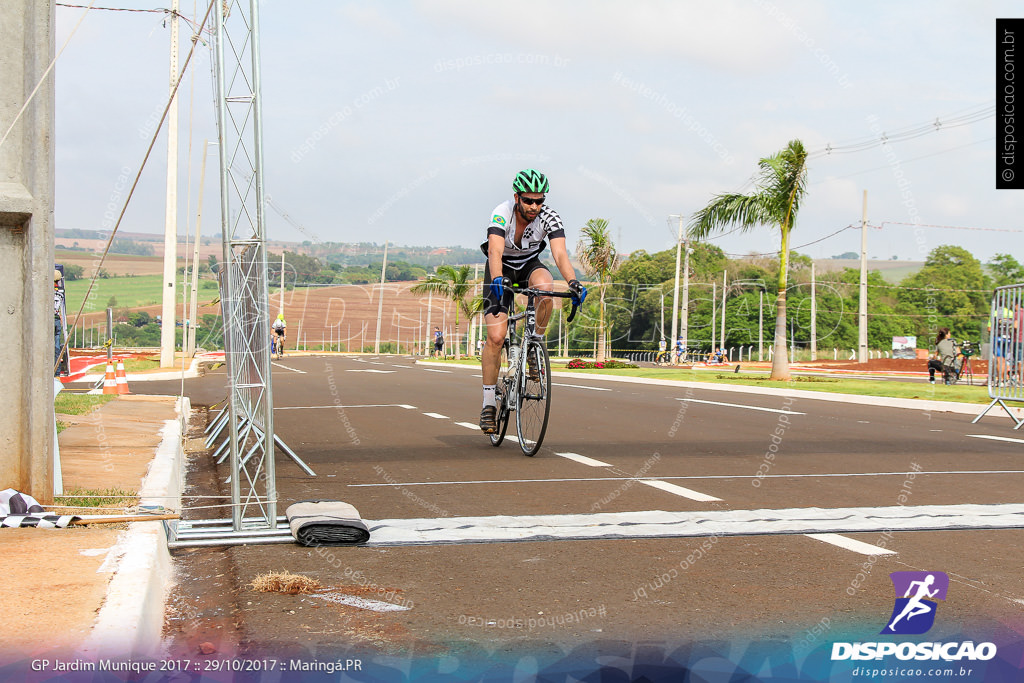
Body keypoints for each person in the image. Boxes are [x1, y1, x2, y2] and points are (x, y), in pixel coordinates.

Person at [478, 169, 586, 433]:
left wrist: (573, 282)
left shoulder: (549, 217)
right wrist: (498, 278)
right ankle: (489, 404)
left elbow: (560, 254)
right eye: (529, 200)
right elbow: (495, 249)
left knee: (546, 288)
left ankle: (534, 347)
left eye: (539, 201)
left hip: (528, 266)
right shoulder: (501, 212)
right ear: (517, 197)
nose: (534, 206)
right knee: (495, 338)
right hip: (500, 268)